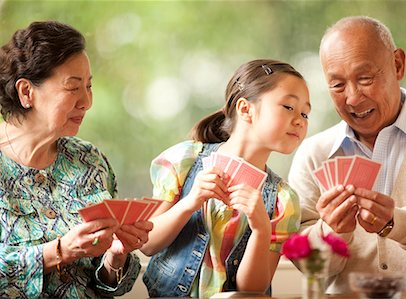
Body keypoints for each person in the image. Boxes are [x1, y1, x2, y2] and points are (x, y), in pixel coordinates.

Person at [288, 16, 406, 295]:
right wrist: (332, 233)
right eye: (337, 85)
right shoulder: (314, 154)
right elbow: (306, 262)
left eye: (365, 78)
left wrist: (396, 222)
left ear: (398, 64)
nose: (352, 97)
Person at [0, 21, 153, 298]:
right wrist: (57, 252)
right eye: (73, 88)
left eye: (89, 87)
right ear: (26, 92)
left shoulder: (90, 161)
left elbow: (110, 283)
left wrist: (115, 257)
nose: (86, 101)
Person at [139, 59, 310, 297]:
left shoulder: (283, 200)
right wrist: (190, 203)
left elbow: (252, 290)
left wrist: (261, 229)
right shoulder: (184, 161)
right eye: (289, 107)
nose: (300, 120)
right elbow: (147, 244)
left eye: (305, 113)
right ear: (245, 109)